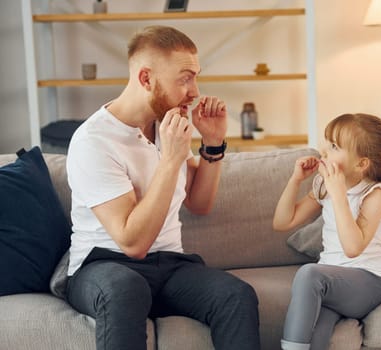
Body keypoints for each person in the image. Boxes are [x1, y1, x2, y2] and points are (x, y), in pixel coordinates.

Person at [65, 25, 260, 350]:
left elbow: (199, 204)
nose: (195, 91)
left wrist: (212, 144)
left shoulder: (166, 125)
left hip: (169, 264)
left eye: (196, 77)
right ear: (146, 79)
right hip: (104, 267)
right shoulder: (93, 141)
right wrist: (170, 160)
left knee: (235, 295)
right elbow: (133, 243)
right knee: (125, 288)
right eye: (184, 78)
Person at [273, 113, 381, 350]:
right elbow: (283, 222)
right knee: (314, 337)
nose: (324, 151)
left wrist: (339, 194)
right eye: (327, 142)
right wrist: (296, 180)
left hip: (370, 281)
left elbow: (353, 248)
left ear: (361, 163)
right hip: (333, 282)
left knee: (309, 275)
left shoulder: (376, 195)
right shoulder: (324, 186)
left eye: (334, 146)